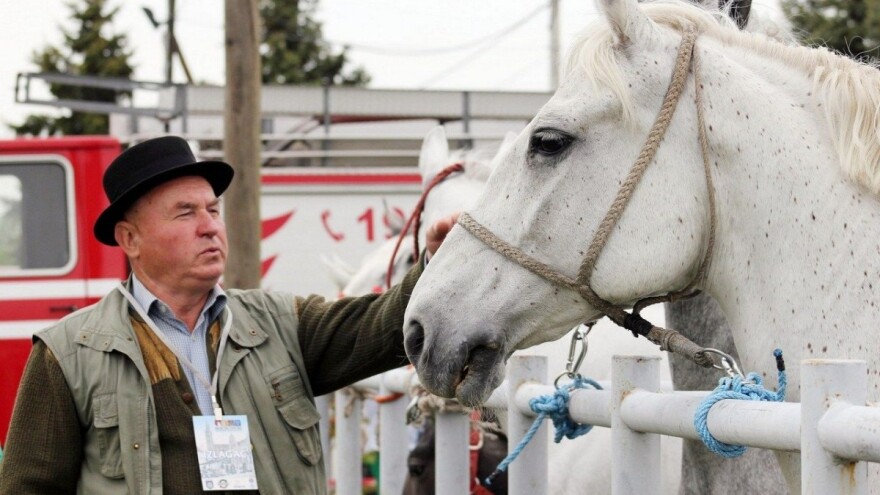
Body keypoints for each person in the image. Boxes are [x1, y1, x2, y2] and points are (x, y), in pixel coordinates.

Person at [0, 136, 458, 494]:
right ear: (130, 239)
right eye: (185, 213)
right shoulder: (68, 354)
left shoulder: (279, 322)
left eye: (212, 209)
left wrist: (438, 269)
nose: (209, 226)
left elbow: (381, 325)